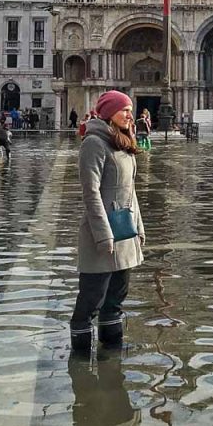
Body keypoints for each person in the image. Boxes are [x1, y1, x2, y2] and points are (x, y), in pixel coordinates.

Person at [69, 91, 145, 353]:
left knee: (116, 297)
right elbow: (90, 192)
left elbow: (129, 190)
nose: (129, 114)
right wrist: (103, 235)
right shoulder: (93, 143)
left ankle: (111, 355)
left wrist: (139, 227)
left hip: (124, 231)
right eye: (124, 109)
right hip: (102, 233)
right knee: (92, 298)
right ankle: (80, 360)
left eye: (130, 109)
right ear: (109, 112)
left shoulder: (123, 141)